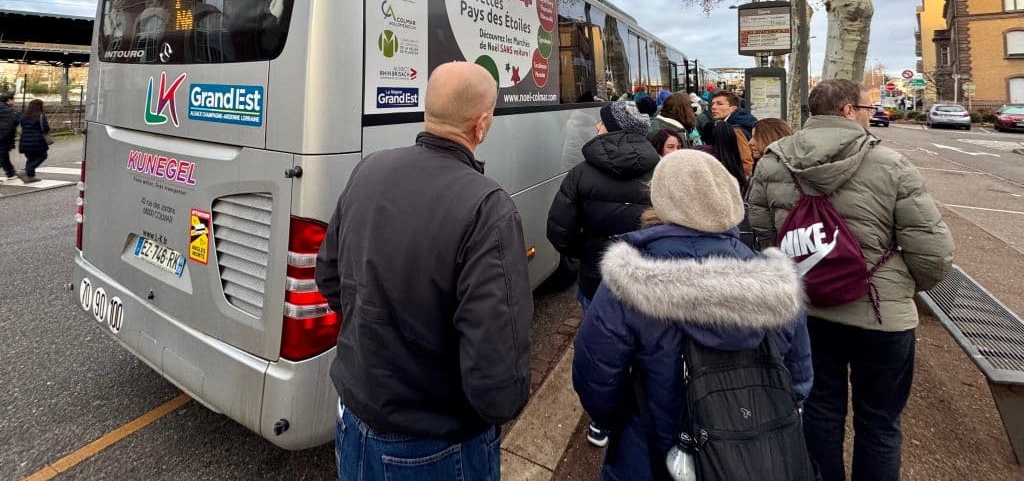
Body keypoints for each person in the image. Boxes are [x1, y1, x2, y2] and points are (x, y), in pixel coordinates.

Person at [314, 62, 532, 481]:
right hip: (436, 446)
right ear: (481, 123)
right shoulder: (488, 207)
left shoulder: (369, 169)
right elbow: (495, 364)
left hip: (353, 424)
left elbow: (329, 276)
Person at [747, 79, 954, 481]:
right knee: (878, 422)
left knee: (820, 409)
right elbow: (932, 253)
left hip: (805, 308)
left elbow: (761, 234)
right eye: (865, 108)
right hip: (880, 314)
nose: (869, 115)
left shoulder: (772, 161)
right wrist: (902, 288)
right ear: (846, 110)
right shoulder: (890, 164)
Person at [572, 149, 812, 481]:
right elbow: (798, 378)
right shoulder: (776, 283)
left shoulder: (629, 281)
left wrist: (626, 423)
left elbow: (595, 374)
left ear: (661, 199)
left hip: (652, 450)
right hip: (753, 453)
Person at [547, 98, 658, 448]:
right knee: (645, 344)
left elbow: (559, 231)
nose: (596, 126)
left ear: (611, 128)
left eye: (602, 121)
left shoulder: (581, 171)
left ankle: (602, 421)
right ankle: (645, 412)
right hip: (645, 278)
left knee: (601, 347)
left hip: (598, 279)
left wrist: (589, 254)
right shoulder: (663, 169)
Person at [700, 117, 753, 182]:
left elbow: (746, 160)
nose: (713, 107)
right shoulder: (728, 151)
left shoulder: (700, 153)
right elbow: (746, 159)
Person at [18, 98, 49, 183]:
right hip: (37, 141)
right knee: (43, 155)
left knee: (31, 158)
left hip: (24, 141)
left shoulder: (24, 116)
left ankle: (30, 176)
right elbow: (46, 129)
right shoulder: (41, 116)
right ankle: (26, 171)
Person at [0, 91, 20, 180]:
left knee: (4, 156)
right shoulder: (8, 111)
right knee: (1, 155)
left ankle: (11, 173)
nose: (14, 101)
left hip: (3, 138)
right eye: (13, 99)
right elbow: (7, 126)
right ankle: (10, 173)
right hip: (3, 138)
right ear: (9, 100)